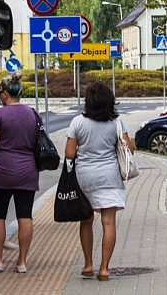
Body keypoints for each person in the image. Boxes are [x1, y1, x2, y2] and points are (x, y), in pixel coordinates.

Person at [65, 81, 135, 281]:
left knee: (86, 221)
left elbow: (69, 154)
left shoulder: (77, 122)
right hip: (109, 177)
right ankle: (104, 269)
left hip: (84, 177)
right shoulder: (117, 123)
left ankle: (88, 265)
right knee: (108, 222)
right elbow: (129, 149)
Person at [0, 72, 38, 273]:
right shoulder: (32, 113)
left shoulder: (0, 115)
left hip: (4, 171)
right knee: (25, 216)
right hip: (28, 170)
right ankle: (21, 262)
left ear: (5, 94)